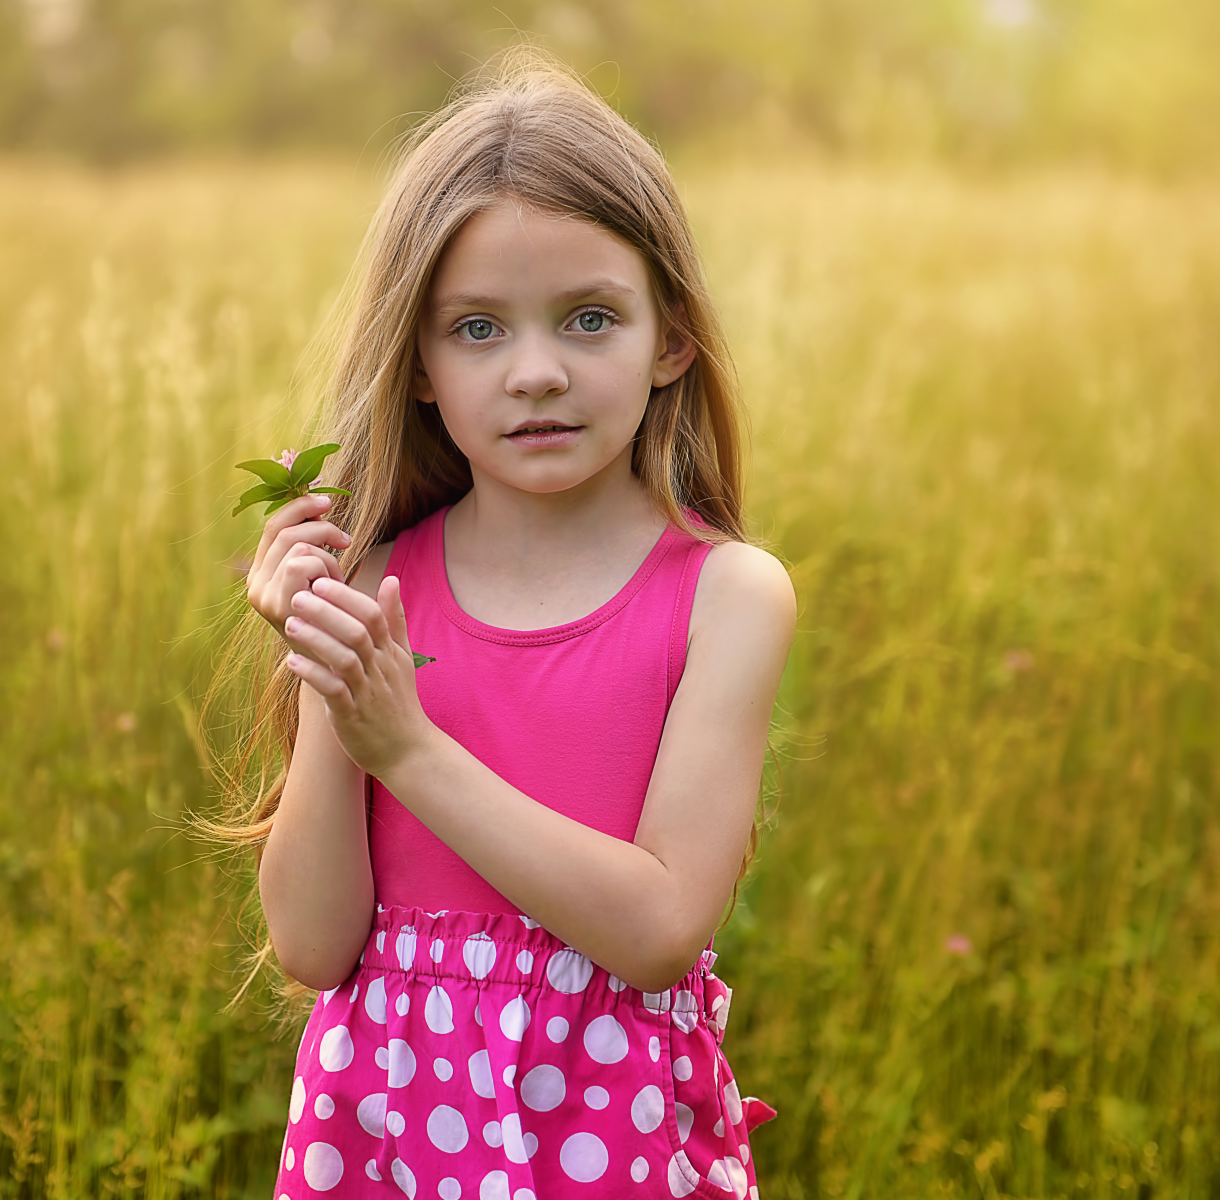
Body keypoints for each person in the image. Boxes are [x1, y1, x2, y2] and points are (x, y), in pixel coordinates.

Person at [222, 50, 797, 1200]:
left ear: (671, 340)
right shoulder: (381, 578)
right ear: (421, 364)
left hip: (604, 1138)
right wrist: (326, 653)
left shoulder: (725, 596)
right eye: (477, 330)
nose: (536, 373)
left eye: (589, 319)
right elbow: (313, 943)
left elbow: (655, 929)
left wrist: (411, 749)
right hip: (383, 1139)